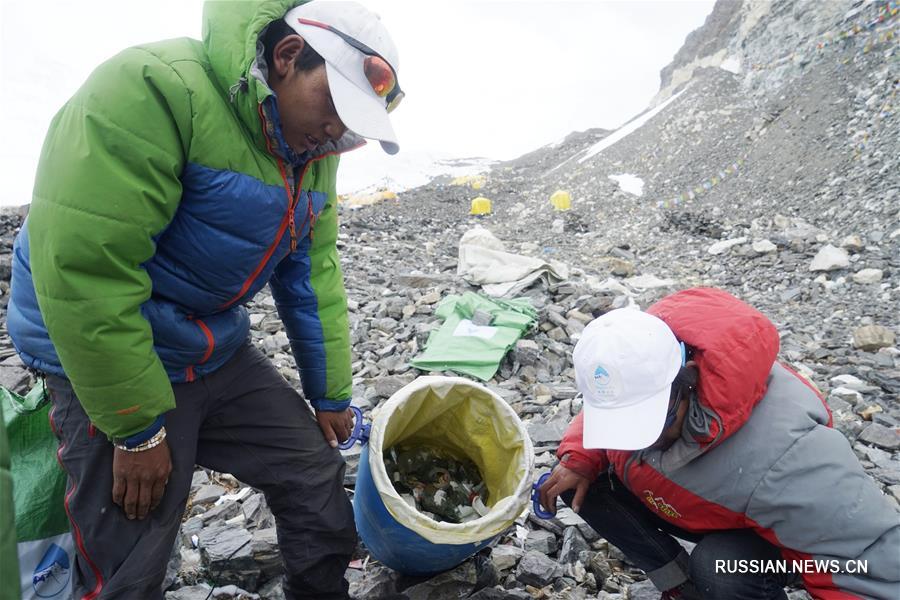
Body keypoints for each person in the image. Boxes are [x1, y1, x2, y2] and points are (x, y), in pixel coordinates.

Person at [7, 1, 404, 598]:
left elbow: (310, 271)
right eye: (337, 110)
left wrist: (331, 394)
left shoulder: (312, 151)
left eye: (354, 127)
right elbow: (88, 272)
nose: (337, 134)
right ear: (287, 57)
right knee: (134, 541)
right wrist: (137, 432)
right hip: (104, 353)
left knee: (312, 471)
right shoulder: (151, 90)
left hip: (211, 344)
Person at [538, 288, 900, 600]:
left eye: (645, 426)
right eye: (617, 425)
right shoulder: (641, 359)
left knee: (721, 568)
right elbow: (614, 404)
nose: (632, 444)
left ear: (688, 381)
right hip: (686, 504)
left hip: (761, 542)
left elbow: (868, 559)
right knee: (575, 482)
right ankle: (682, 587)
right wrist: (578, 458)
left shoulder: (786, 455)